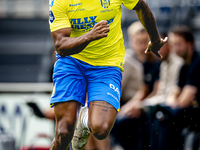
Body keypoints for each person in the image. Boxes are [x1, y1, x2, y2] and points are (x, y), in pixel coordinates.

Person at [48, 0, 167, 149]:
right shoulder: (60, 1)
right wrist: (89, 36)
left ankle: (84, 120)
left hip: (106, 65)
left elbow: (141, 6)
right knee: (64, 133)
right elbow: (60, 46)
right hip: (72, 63)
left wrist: (155, 39)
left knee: (101, 129)